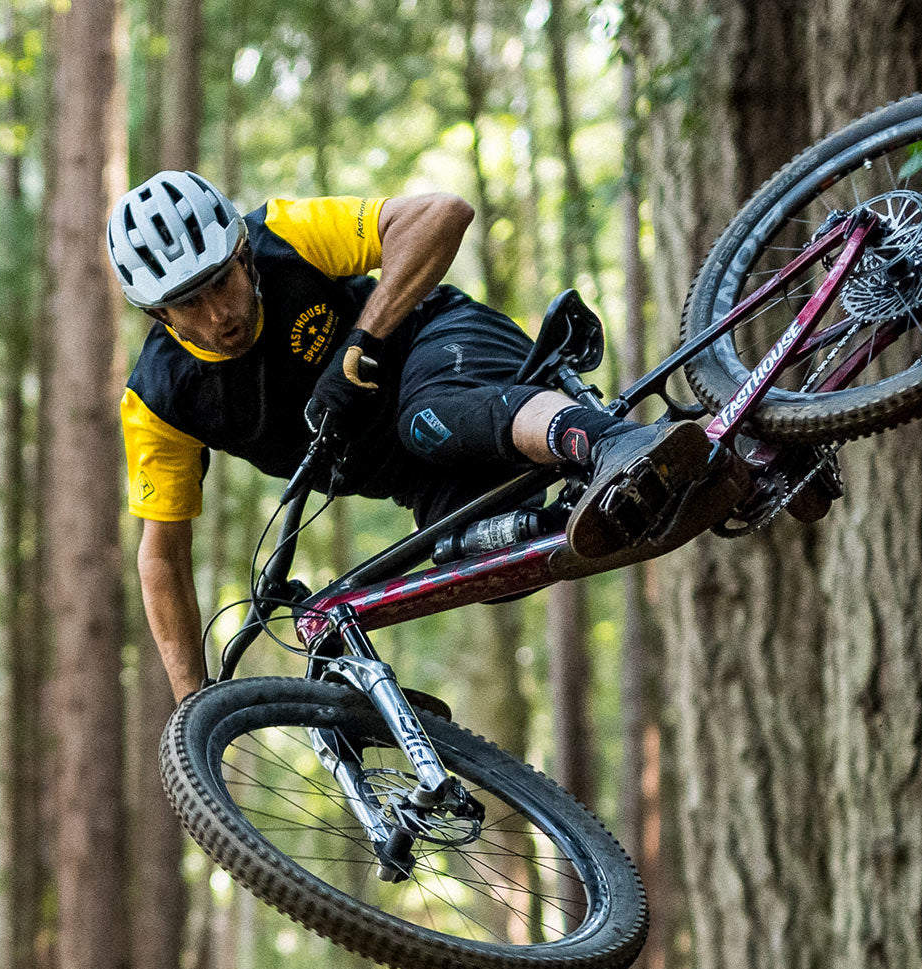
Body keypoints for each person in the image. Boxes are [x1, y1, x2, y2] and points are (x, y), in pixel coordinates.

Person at [109, 170, 734, 702]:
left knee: (429, 417)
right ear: (157, 315)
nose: (220, 313)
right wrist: (193, 709)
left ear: (243, 255)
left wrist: (363, 340)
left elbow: (442, 215)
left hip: (442, 348)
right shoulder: (160, 399)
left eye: (222, 280)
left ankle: (614, 445)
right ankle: (676, 489)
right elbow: (161, 558)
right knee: (476, 568)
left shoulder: (283, 235)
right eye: (188, 302)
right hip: (414, 472)